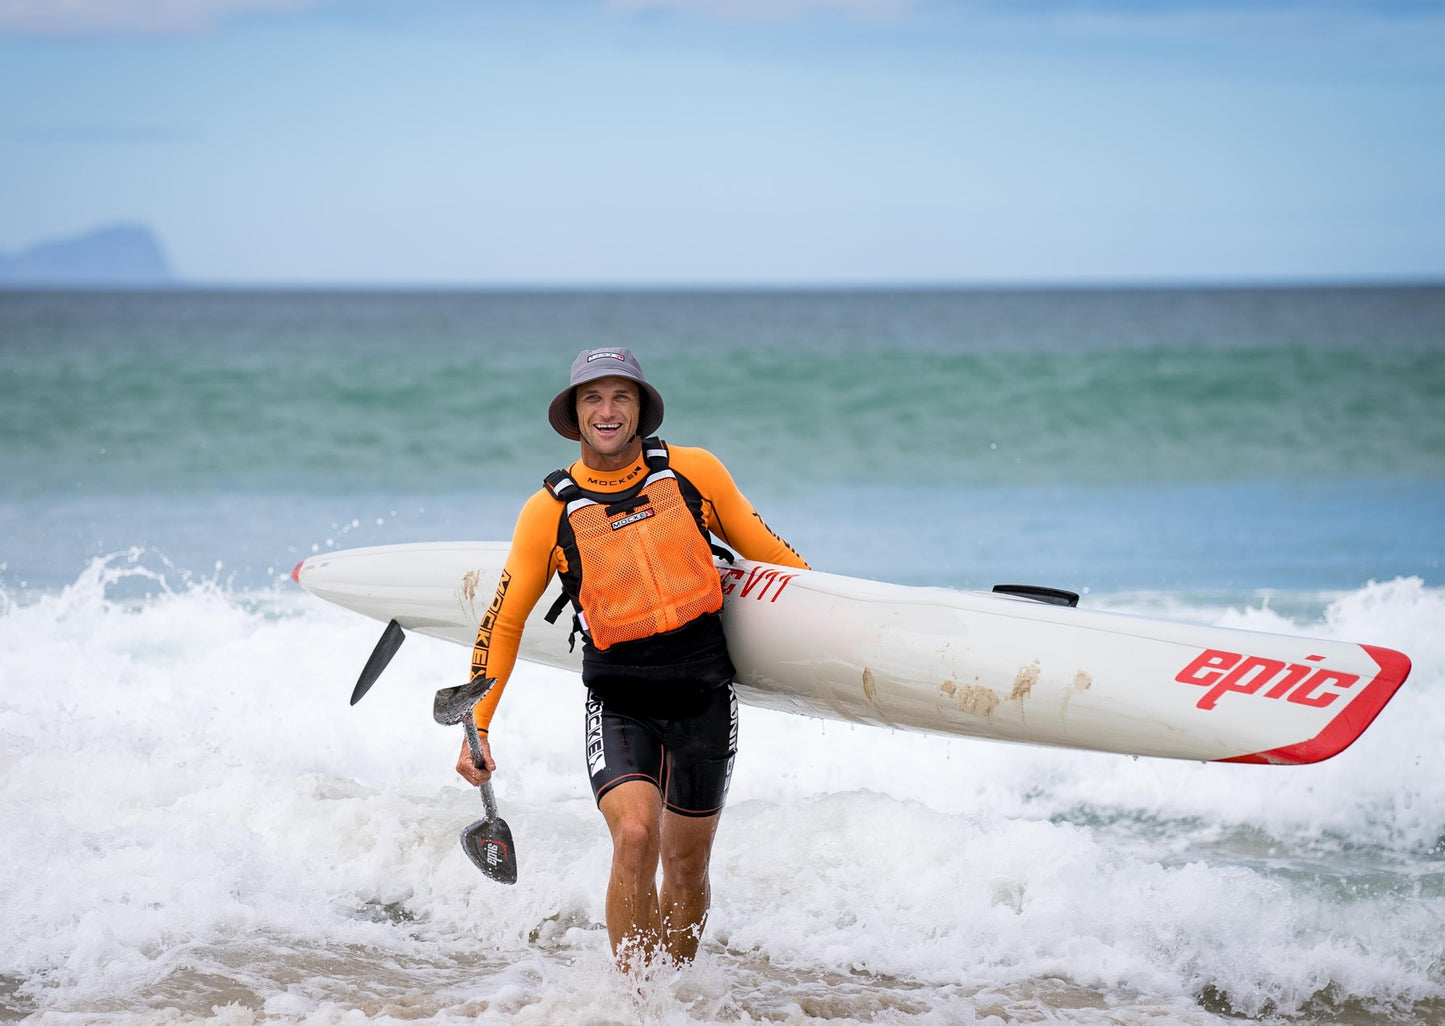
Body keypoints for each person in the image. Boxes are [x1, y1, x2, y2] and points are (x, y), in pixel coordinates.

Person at [454, 347, 808, 969]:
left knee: (688, 867)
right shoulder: (550, 511)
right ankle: (633, 1000)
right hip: (621, 703)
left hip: (703, 699)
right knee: (636, 838)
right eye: (593, 398)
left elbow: (771, 552)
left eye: (621, 396)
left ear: (641, 408)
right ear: (575, 414)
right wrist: (477, 727)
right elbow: (503, 623)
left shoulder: (694, 473)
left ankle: (674, 993)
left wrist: (847, 613)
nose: (608, 410)